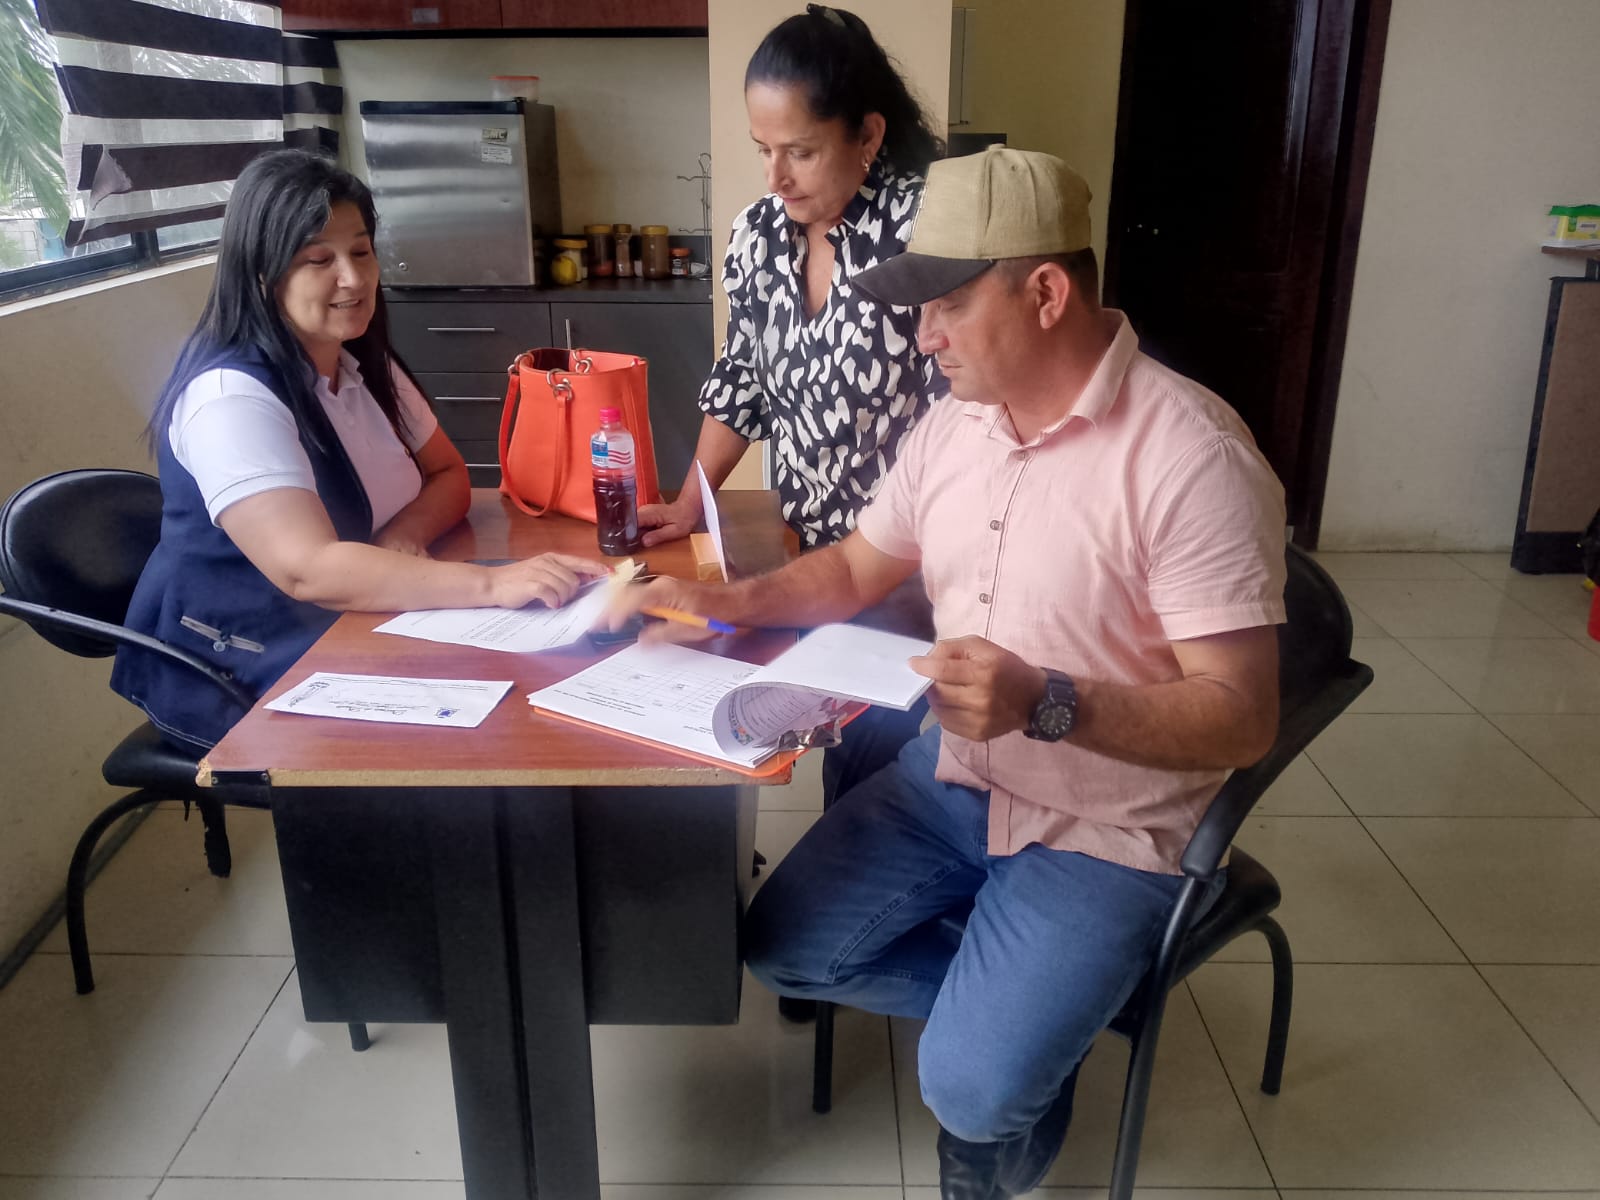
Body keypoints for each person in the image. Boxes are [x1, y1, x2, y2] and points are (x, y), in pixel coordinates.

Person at [610, 146, 1288, 1196]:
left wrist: (1047, 702)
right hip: (957, 778)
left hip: (1106, 827)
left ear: (1046, 293)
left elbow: (1241, 719)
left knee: (968, 1090)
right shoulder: (957, 425)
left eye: (947, 305)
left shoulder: (1189, 456)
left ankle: (1002, 1081)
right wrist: (725, 605)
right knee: (783, 952)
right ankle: (1028, 1025)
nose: (922, 335)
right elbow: (854, 566)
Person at [112, 149, 606, 753]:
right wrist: (490, 586)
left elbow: (448, 473)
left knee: (553, 678)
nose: (353, 278)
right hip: (246, 666)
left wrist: (403, 537)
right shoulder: (229, 398)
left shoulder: (357, 360)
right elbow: (309, 569)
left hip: (351, 620)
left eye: (362, 252)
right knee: (489, 734)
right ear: (262, 272)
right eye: (319, 260)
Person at [636, 3, 950, 804]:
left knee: (874, 774)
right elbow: (742, 376)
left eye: (801, 152)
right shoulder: (759, 236)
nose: (775, 177)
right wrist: (690, 502)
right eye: (763, 150)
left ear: (867, 135)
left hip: (916, 570)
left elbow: (965, 418)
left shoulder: (924, 232)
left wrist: (918, 574)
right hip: (815, 558)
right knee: (800, 736)